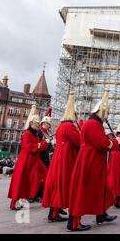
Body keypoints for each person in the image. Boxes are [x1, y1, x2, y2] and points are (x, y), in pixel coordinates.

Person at [67, 89, 120, 232]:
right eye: (106, 114)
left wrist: (110, 138)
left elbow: (100, 139)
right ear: (102, 111)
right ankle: (74, 223)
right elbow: (102, 143)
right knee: (83, 191)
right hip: (90, 161)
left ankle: (101, 214)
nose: (107, 118)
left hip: (94, 161)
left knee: (100, 188)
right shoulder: (93, 124)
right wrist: (116, 142)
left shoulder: (95, 124)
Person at [42, 94, 80, 223]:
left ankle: (54, 212)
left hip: (59, 157)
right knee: (61, 185)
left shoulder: (61, 126)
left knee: (57, 185)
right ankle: (53, 214)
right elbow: (79, 141)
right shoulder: (69, 126)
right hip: (66, 158)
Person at [7, 105, 49, 210]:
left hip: (34, 160)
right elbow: (29, 148)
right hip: (26, 161)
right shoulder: (26, 134)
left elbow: (37, 147)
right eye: (37, 123)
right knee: (21, 181)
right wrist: (44, 143)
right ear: (31, 123)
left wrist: (45, 143)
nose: (39, 126)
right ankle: (15, 202)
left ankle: (41, 197)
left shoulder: (34, 134)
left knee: (41, 177)